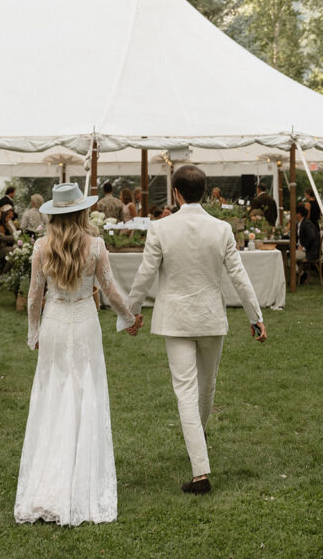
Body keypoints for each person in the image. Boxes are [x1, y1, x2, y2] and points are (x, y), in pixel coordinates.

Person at [121, 165, 265, 495]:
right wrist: (255, 316)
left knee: (187, 390)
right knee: (206, 385)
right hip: (209, 318)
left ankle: (198, 460)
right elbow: (239, 275)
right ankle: (199, 460)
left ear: (176, 193)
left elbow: (144, 275)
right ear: (204, 191)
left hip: (176, 319)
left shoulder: (160, 228)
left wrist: (131, 312)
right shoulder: (222, 228)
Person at [14, 182, 139, 526]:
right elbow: (110, 290)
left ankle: (50, 479)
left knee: (53, 395)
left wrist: (34, 332)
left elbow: (34, 297)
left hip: (55, 323)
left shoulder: (41, 247)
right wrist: (129, 318)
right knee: (85, 394)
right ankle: (81, 478)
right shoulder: (95, 246)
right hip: (84, 321)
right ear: (82, 211)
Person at [294, 203, 320, 283]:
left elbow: (312, 237)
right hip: (301, 250)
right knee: (287, 256)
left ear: (298, 214)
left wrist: (304, 248)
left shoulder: (306, 224)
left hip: (309, 252)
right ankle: (302, 275)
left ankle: (303, 275)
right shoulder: (299, 224)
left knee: (289, 258)